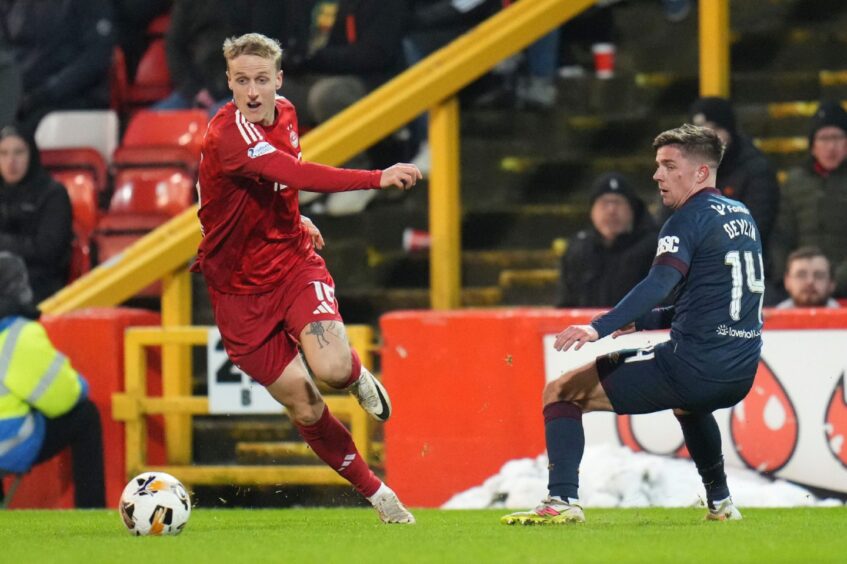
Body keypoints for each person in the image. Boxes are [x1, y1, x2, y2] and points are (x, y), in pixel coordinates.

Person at [192, 32, 421, 523]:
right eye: (240, 81)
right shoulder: (226, 134)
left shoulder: (288, 114)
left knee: (334, 369)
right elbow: (293, 174)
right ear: (228, 84)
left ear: (278, 80)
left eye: (260, 80)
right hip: (237, 295)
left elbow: (273, 186)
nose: (251, 92)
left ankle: (357, 375)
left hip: (293, 266)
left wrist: (294, 220)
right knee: (305, 405)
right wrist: (374, 176)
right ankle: (379, 494)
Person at [502, 124, 763, 525]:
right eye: (658, 165)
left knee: (561, 392)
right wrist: (645, 321)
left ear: (700, 173)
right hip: (741, 371)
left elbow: (660, 282)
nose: (657, 175)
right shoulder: (742, 215)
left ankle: (561, 500)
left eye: (668, 165)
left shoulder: (686, 220)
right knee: (690, 406)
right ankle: (721, 502)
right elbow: (716, 302)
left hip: (691, 365)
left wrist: (600, 327)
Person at [0, 252, 105, 508]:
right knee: (85, 415)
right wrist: (80, 386)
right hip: (7, 442)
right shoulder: (19, 334)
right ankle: (91, 510)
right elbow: (63, 397)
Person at [0, 0, 115, 134]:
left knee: (20, 135)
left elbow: (96, 58)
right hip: (19, 96)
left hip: (74, 98)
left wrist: (44, 94)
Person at [770, 100, 847, 299]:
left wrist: (833, 281)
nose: (831, 146)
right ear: (812, 145)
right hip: (799, 288)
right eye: (824, 138)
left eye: (838, 137)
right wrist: (791, 277)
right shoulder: (794, 182)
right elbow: (781, 235)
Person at [688, 96, 780, 255]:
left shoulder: (755, 169)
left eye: (715, 129)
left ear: (729, 130)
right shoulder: (684, 170)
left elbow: (754, 230)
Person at [557, 172, 658, 308]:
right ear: (591, 211)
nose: (611, 210)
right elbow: (566, 303)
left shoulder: (654, 247)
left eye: (618, 202)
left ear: (633, 209)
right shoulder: (578, 249)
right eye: (604, 203)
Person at [0, 125, 73, 303]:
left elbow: (48, 250)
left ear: (31, 155)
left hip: (39, 281)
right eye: (3, 153)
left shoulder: (53, 194)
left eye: (19, 152)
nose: (11, 161)